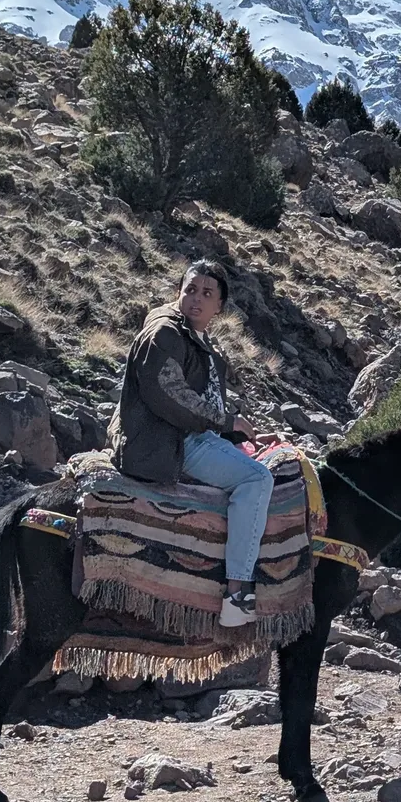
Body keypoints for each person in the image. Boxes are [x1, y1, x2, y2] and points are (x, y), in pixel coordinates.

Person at [108, 261, 273, 627]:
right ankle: (238, 594)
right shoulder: (166, 334)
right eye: (190, 290)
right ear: (178, 293)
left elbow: (204, 398)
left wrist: (237, 432)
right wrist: (227, 422)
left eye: (206, 293)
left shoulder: (194, 336)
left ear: (219, 308)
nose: (196, 299)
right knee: (258, 480)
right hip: (170, 441)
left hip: (188, 434)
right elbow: (170, 395)